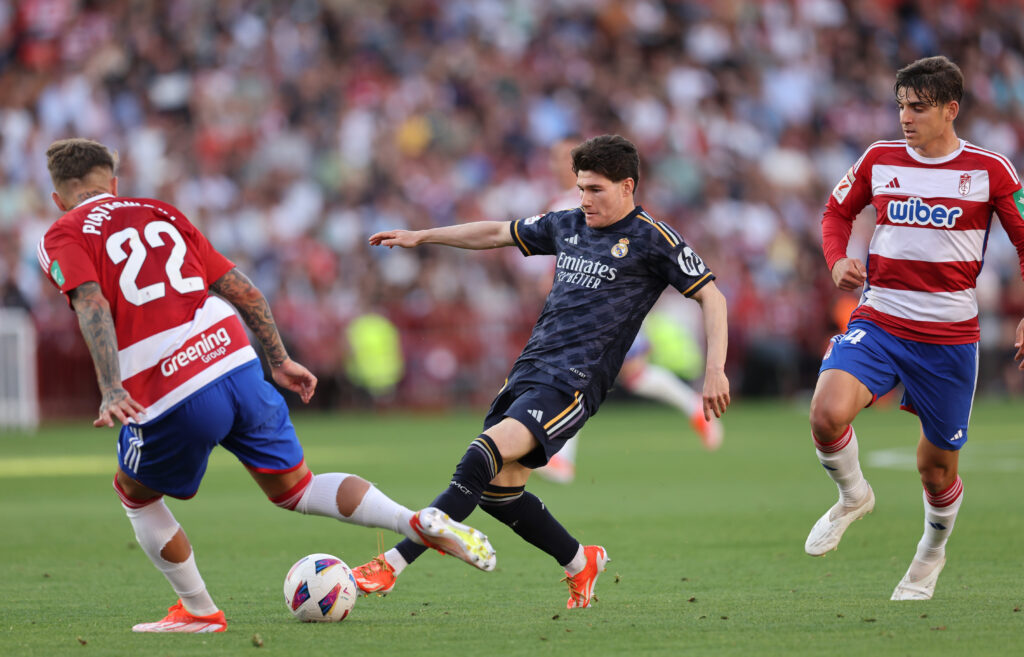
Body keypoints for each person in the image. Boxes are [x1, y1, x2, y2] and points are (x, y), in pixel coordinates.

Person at [36, 138, 495, 633]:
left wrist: (109, 387)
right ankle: (413, 521)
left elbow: (90, 303)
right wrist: (279, 359)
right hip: (233, 355)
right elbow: (242, 288)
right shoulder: (162, 212)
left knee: (136, 493)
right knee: (296, 488)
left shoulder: (62, 232)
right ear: (114, 183)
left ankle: (198, 610)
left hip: (167, 380)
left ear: (60, 196)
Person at [356, 134, 730, 608]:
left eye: (595, 189)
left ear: (627, 186)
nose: (584, 199)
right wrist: (423, 236)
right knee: (497, 493)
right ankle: (580, 562)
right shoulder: (567, 224)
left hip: (574, 382)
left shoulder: (653, 239)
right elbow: (496, 233)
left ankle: (391, 565)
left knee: (480, 456)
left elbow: (711, 295)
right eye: (580, 188)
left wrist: (714, 370)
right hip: (529, 370)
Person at [806, 56, 1024, 600]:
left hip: (949, 340)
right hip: (879, 320)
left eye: (919, 108)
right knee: (826, 412)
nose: (906, 117)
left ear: (951, 109)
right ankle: (854, 496)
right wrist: (837, 259)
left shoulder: (991, 171)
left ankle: (930, 553)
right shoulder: (879, 158)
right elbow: (836, 213)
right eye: (901, 105)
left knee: (934, 469)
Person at [536, 138, 723, 484]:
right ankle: (691, 405)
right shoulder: (564, 203)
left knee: (581, 372)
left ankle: (561, 457)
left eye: (565, 157)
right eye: (556, 157)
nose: (560, 164)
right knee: (629, 375)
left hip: (609, 308)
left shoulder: (585, 203)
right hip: (587, 307)